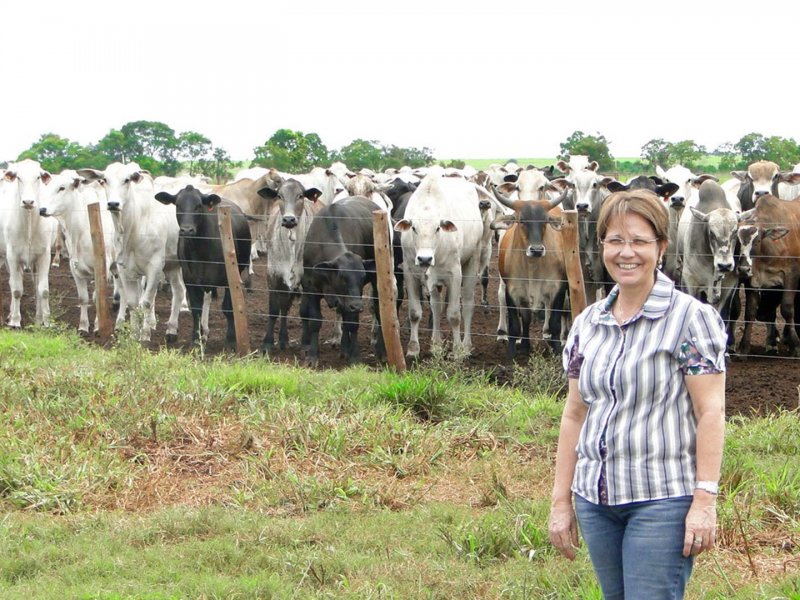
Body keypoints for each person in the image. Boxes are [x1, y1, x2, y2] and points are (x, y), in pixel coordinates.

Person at [548, 189, 727, 599]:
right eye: (615, 241)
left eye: (640, 242)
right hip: (595, 500)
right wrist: (561, 501)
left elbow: (711, 412)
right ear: (602, 247)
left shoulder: (690, 318)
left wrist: (704, 500)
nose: (626, 253)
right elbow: (574, 413)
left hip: (661, 499)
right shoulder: (588, 323)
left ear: (661, 248)